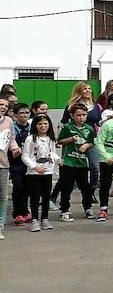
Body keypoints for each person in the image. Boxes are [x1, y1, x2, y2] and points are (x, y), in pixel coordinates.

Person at [57, 103, 96, 222]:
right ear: (72, 116)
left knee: (85, 188)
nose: (81, 117)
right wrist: (71, 139)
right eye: (78, 115)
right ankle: (64, 210)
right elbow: (60, 141)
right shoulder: (67, 127)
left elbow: (91, 142)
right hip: (68, 162)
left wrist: (86, 146)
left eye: (84, 115)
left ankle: (88, 208)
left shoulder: (89, 129)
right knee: (66, 188)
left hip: (82, 163)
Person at [21, 115, 60, 232]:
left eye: (45, 124)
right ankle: (34, 220)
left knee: (46, 195)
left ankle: (44, 218)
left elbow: (52, 153)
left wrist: (58, 159)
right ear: (35, 125)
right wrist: (35, 167)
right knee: (35, 196)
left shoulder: (50, 138)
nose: (43, 126)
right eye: (40, 124)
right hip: (34, 173)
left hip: (47, 171)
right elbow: (25, 156)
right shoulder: (30, 139)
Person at [0, 97, 21, 238]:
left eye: (6, 105)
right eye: (1, 104)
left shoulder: (8, 121)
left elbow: (11, 138)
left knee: (2, 195)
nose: (3, 107)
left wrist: (14, 148)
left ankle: (0, 225)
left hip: (3, 164)